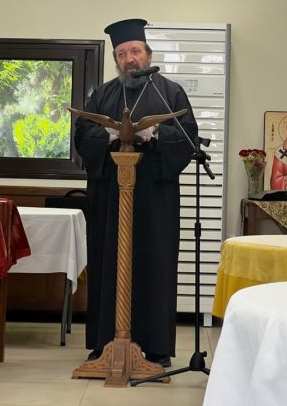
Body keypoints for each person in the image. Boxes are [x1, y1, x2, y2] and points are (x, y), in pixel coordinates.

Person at [74, 18, 198, 368]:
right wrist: (111, 136)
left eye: (136, 51)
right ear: (116, 59)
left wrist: (155, 135)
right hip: (111, 196)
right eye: (122, 53)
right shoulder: (103, 95)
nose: (130, 59)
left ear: (148, 55)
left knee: (154, 263)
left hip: (155, 198)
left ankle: (156, 346)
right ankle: (105, 342)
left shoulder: (170, 93)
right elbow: (82, 135)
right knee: (108, 262)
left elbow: (187, 136)